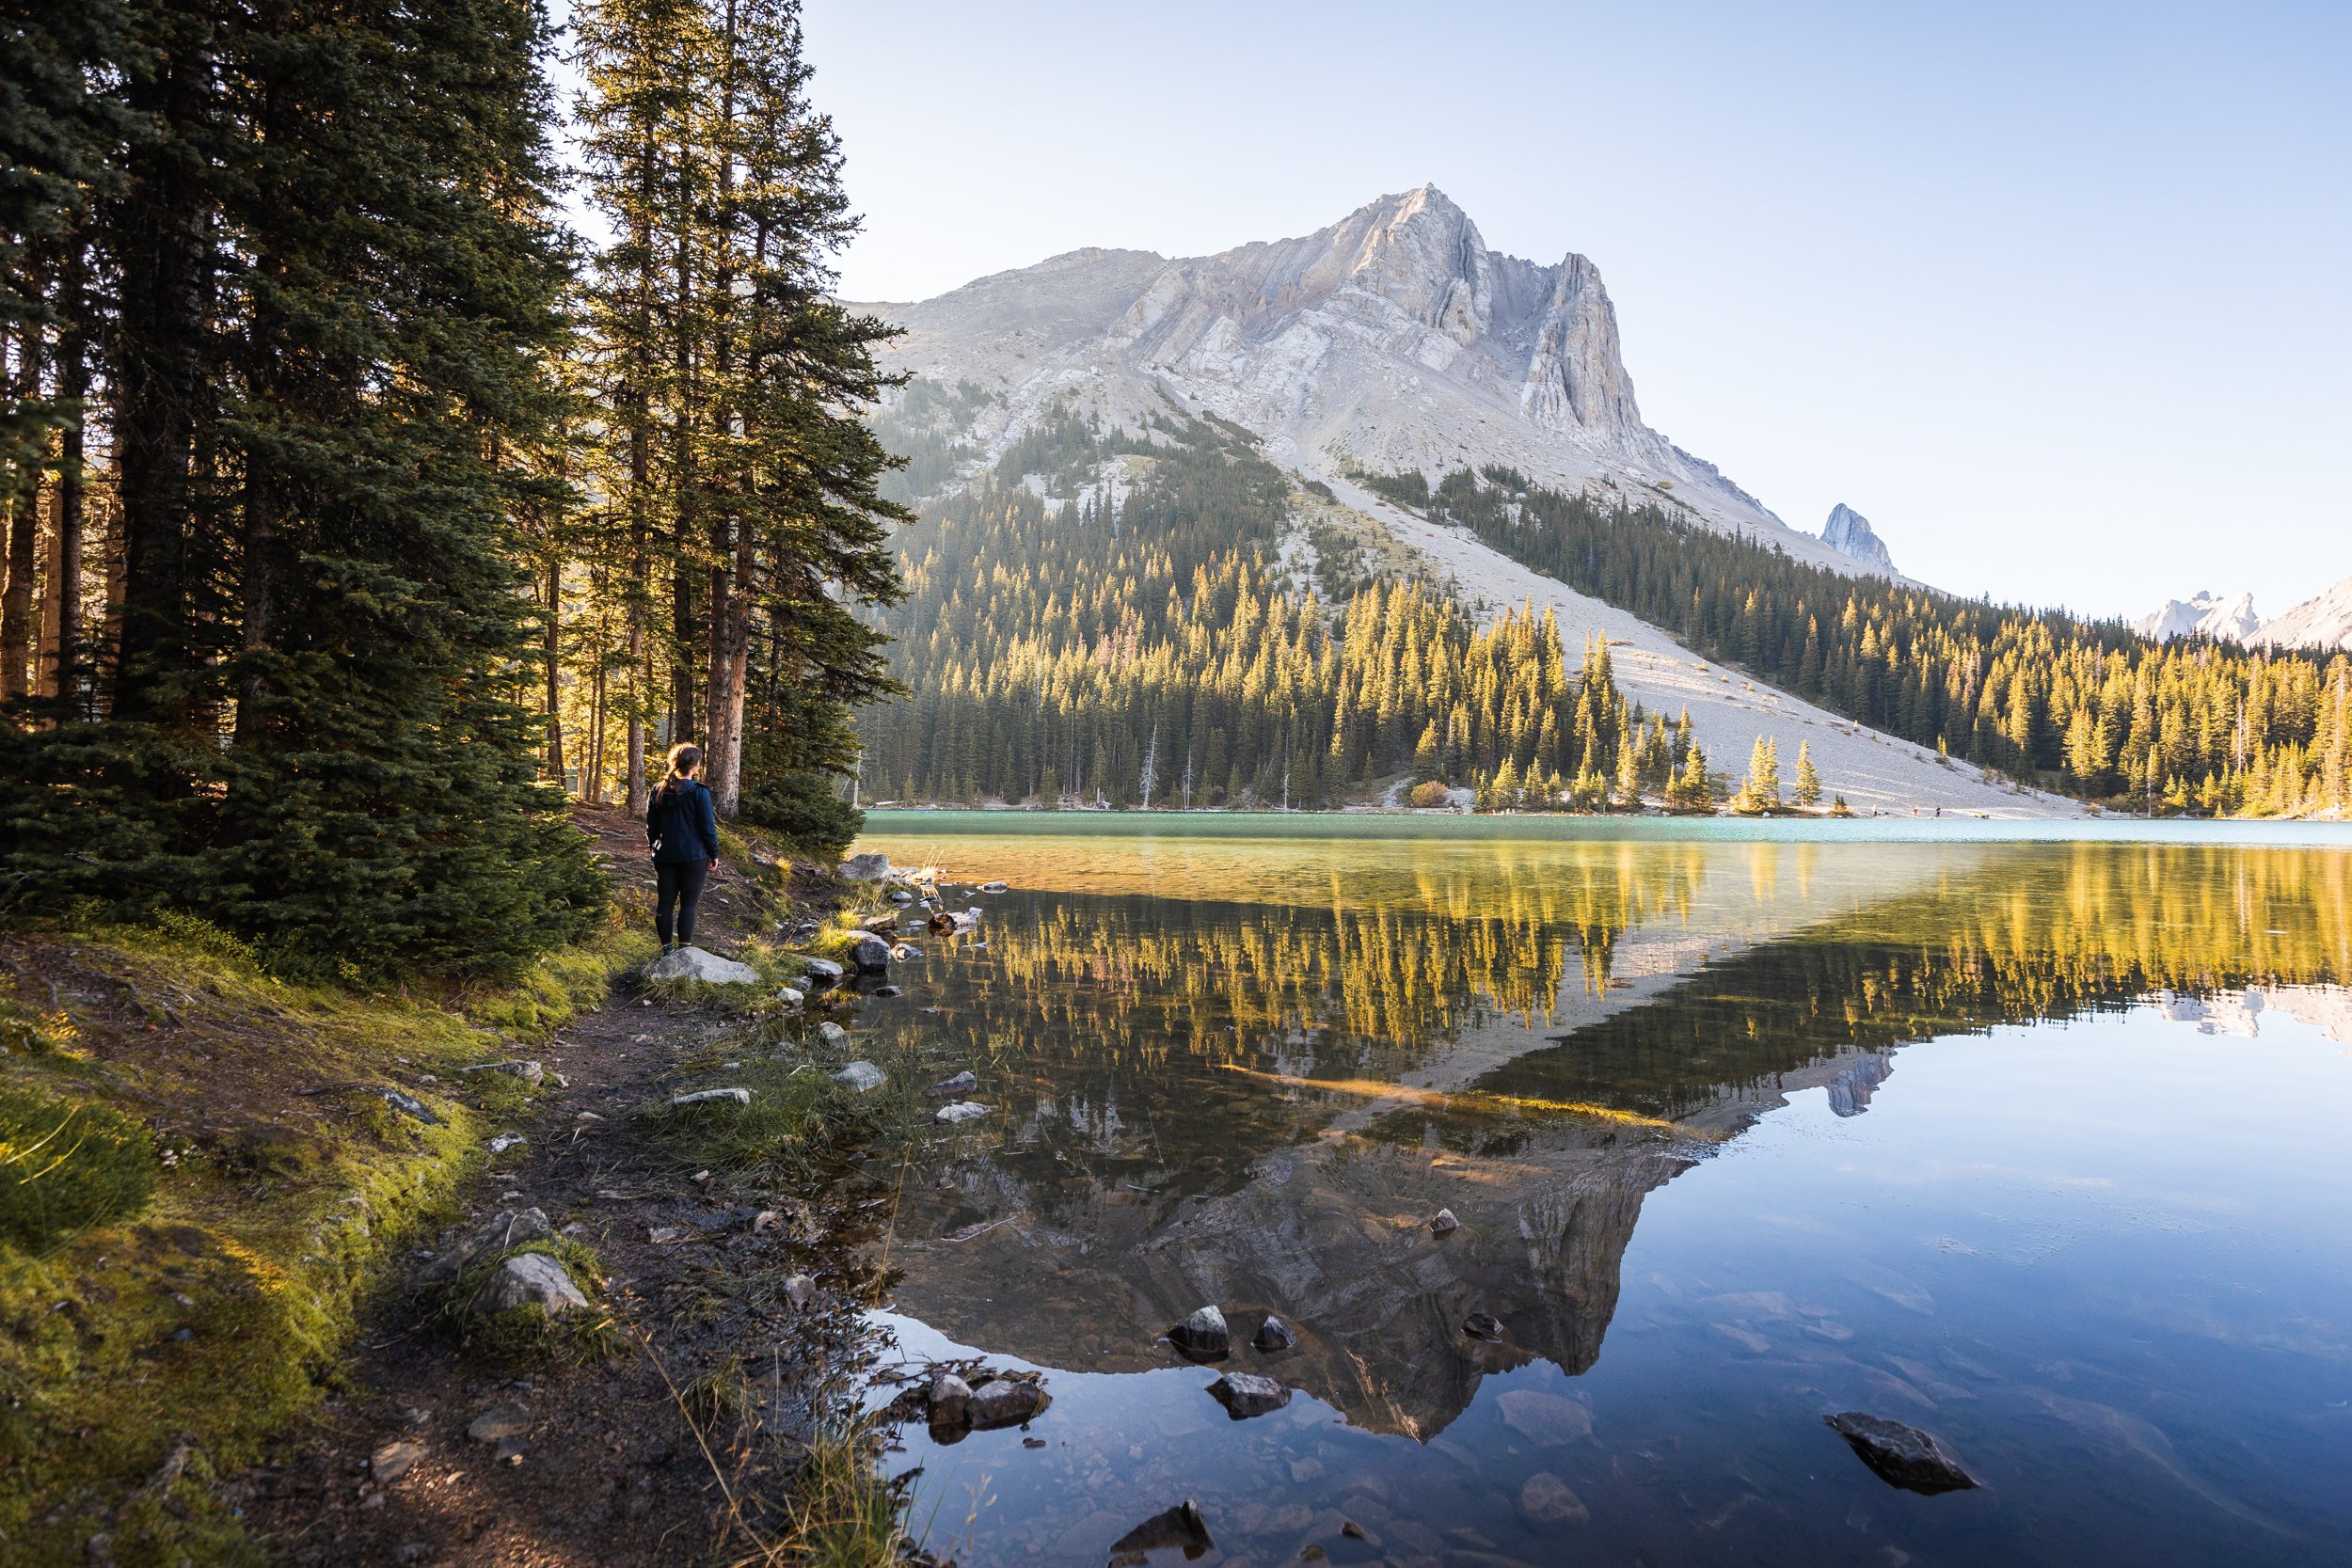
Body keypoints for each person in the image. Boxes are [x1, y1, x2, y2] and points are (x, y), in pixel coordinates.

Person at [645, 743, 720, 951]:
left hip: (665, 855)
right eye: (699, 762)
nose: (700, 766)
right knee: (689, 904)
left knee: (665, 904)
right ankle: (684, 951)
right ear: (693, 766)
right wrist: (713, 853)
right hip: (694, 855)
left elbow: (651, 826)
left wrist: (653, 847)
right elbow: (707, 827)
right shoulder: (699, 792)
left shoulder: (658, 789)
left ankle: (667, 950)